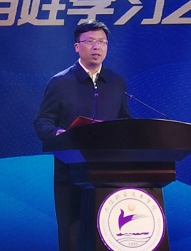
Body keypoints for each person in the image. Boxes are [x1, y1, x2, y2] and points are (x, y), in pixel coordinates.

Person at [34, 19, 131, 251]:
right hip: (71, 169)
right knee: (72, 230)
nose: (97, 47)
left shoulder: (116, 82)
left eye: (102, 42)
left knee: (107, 230)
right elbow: (43, 120)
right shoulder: (61, 82)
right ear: (77, 47)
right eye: (90, 41)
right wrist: (58, 133)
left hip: (108, 170)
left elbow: (125, 122)